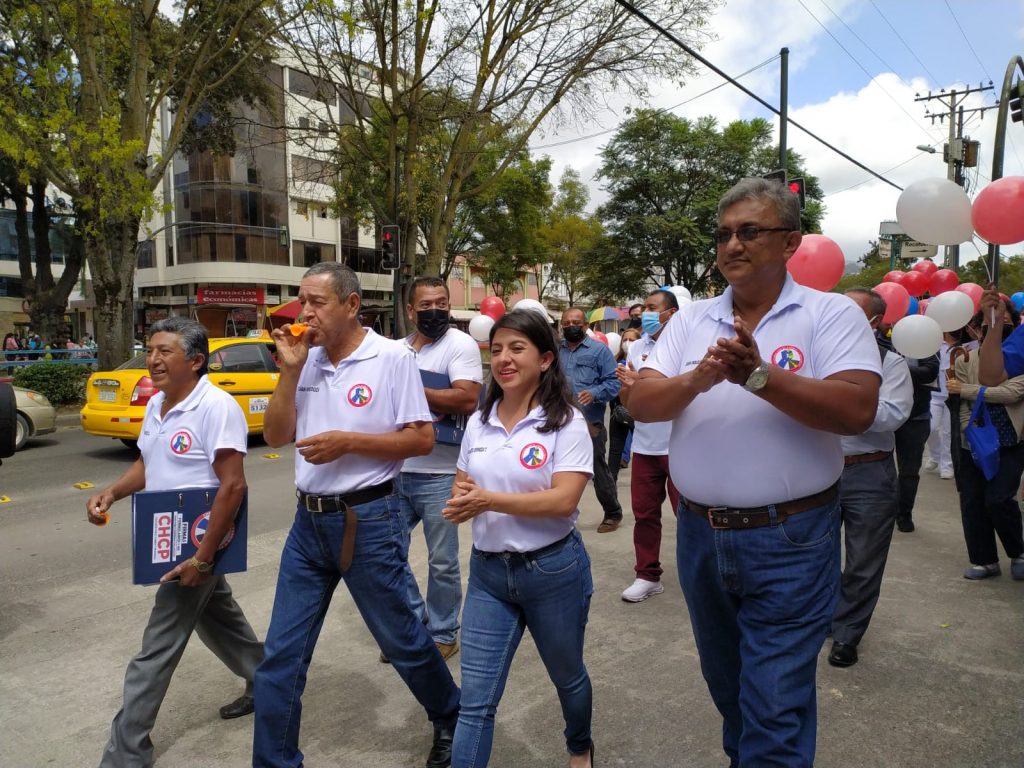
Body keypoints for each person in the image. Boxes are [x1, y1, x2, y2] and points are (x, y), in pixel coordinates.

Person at [629, 177, 881, 767]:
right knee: (733, 693)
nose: (732, 245)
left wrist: (759, 377)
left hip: (791, 538)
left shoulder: (830, 315)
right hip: (699, 535)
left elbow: (856, 408)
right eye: (723, 234)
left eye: (750, 231)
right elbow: (642, 402)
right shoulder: (691, 321)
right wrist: (699, 378)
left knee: (773, 702)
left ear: (791, 241)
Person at [254, 262, 460, 768]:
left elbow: (421, 438)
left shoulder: (390, 359)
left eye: (316, 303)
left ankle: (453, 719)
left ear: (350, 305)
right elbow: (276, 436)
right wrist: (290, 372)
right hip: (308, 526)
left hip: (369, 520)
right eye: (301, 301)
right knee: (281, 656)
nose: (305, 313)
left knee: (405, 642)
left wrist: (350, 442)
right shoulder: (304, 359)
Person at [85, 316, 264, 768]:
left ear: (196, 360)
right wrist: (113, 491)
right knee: (218, 618)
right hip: (168, 536)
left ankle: (127, 752)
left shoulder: (217, 407)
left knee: (155, 649)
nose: (153, 359)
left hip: (199, 538)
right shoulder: (158, 405)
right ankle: (269, 681)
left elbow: (233, 486)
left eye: (165, 351)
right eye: (150, 349)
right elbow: (149, 462)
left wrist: (203, 560)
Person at [443, 308, 595, 768]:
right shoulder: (480, 420)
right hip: (490, 574)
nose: (503, 359)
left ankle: (580, 747)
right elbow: (462, 483)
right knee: (475, 702)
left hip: (553, 570)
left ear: (546, 359)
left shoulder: (565, 421)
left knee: (567, 679)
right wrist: (463, 499)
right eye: (497, 350)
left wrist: (488, 500)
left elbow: (564, 500)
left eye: (517, 349)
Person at [395, 275, 483, 661]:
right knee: (384, 554)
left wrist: (409, 387)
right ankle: (415, 626)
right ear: (411, 310)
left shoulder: (459, 344)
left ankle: (444, 632)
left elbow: (466, 398)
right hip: (395, 470)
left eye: (441, 303)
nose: (435, 311)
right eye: (426, 305)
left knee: (442, 561)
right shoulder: (396, 350)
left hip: (441, 474)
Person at [828, 289, 913, 668]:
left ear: (874, 322)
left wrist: (832, 402)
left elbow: (892, 415)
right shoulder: (812, 355)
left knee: (863, 560)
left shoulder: (890, 364)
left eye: (850, 310)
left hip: (870, 472)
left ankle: (847, 635)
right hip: (818, 469)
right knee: (816, 554)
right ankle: (824, 619)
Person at [949, 300, 1024, 581]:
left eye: (1003, 323)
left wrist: (967, 389)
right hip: (974, 443)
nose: (995, 329)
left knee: (999, 499)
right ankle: (984, 560)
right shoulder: (965, 360)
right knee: (973, 502)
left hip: (1012, 442)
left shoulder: (1019, 354)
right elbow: (960, 404)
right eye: (988, 323)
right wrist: (970, 434)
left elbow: (1013, 392)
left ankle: (1018, 552)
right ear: (977, 330)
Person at [616, 289, 680, 603]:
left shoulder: (685, 344)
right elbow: (629, 403)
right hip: (645, 446)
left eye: (653, 309)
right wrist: (629, 389)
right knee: (644, 515)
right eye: (644, 310)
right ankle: (647, 575)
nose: (645, 315)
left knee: (692, 516)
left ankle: (709, 573)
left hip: (680, 445)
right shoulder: (636, 347)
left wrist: (644, 387)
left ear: (672, 313)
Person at [558, 307, 623, 532]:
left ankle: (613, 512)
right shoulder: (556, 351)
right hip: (558, 421)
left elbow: (614, 383)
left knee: (596, 468)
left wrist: (594, 393)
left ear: (585, 325)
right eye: (566, 323)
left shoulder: (599, 351)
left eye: (575, 322)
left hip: (589, 423)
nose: (570, 326)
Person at [892, 344, 939, 533]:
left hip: (916, 416)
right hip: (884, 412)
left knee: (909, 471)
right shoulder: (880, 341)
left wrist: (896, 366)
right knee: (879, 468)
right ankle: (883, 512)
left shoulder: (925, 343)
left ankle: (904, 513)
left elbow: (929, 372)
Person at [608, 326, 642, 481]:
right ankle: (611, 486)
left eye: (632, 340)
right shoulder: (615, 361)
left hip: (637, 411)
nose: (628, 343)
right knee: (614, 452)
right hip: (617, 409)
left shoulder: (644, 361)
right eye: (625, 339)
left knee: (640, 450)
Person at [923, 334, 956, 479]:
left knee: (948, 431)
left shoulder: (967, 342)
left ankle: (947, 465)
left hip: (953, 395)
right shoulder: (934, 341)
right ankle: (936, 455)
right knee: (929, 427)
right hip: (935, 395)